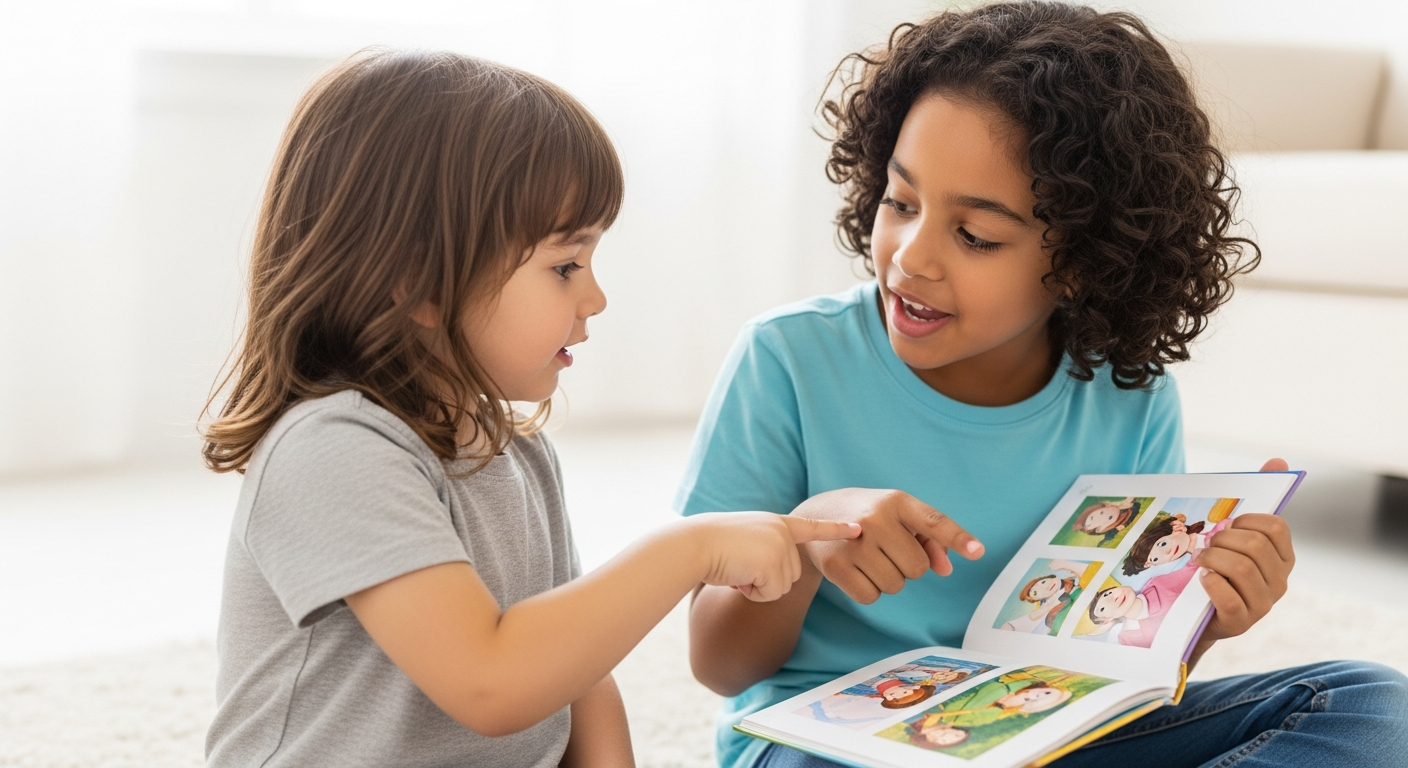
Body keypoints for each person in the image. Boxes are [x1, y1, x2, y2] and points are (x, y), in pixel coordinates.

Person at [675, 3, 1408, 767]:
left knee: (1367, 704)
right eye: (900, 201)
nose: (910, 257)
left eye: (975, 236)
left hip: (1047, 732)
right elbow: (719, 665)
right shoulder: (788, 360)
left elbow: (1117, 668)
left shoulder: (1130, 390)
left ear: (1085, 261)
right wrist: (805, 538)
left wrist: (1204, 618)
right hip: (831, 745)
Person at [198, 49, 863, 768]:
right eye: (565, 266)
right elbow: (493, 683)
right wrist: (689, 548)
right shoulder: (333, 449)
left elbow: (574, 672)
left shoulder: (514, 450)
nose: (595, 297)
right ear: (418, 281)